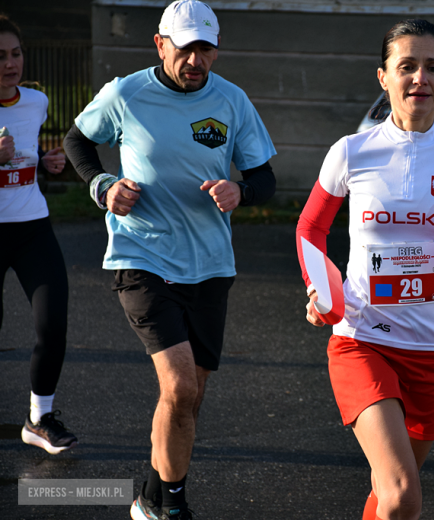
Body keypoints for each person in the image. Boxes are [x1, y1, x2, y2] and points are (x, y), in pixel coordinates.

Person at [62, 1, 276, 519]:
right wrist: (101, 185)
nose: (196, 60)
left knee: (188, 399)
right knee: (179, 385)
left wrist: (239, 191)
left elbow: (265, 179)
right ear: (161, 45)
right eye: (185, 48)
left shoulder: (232, 100)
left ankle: (148, 497)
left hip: (210, 265)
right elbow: (76, 141)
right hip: (142, 255)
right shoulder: (126, 93)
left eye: (206, 48)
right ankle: (173, 508)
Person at [296, 19, 434, 520]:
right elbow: (310, 230)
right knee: (401, 495)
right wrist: (320, 290)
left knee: (388, 497)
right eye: (407, 66)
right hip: (363, 340)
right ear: (383, 76)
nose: (420, 78)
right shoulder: (351, 151)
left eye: (432, 68)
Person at [0, 14, 78, 455]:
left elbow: (22, 166)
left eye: (16, 54)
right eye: (0, 57)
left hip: (32, 226)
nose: (11, 64)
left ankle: (39, 418)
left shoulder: (36, 101)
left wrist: (47, 168)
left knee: (52, 324)